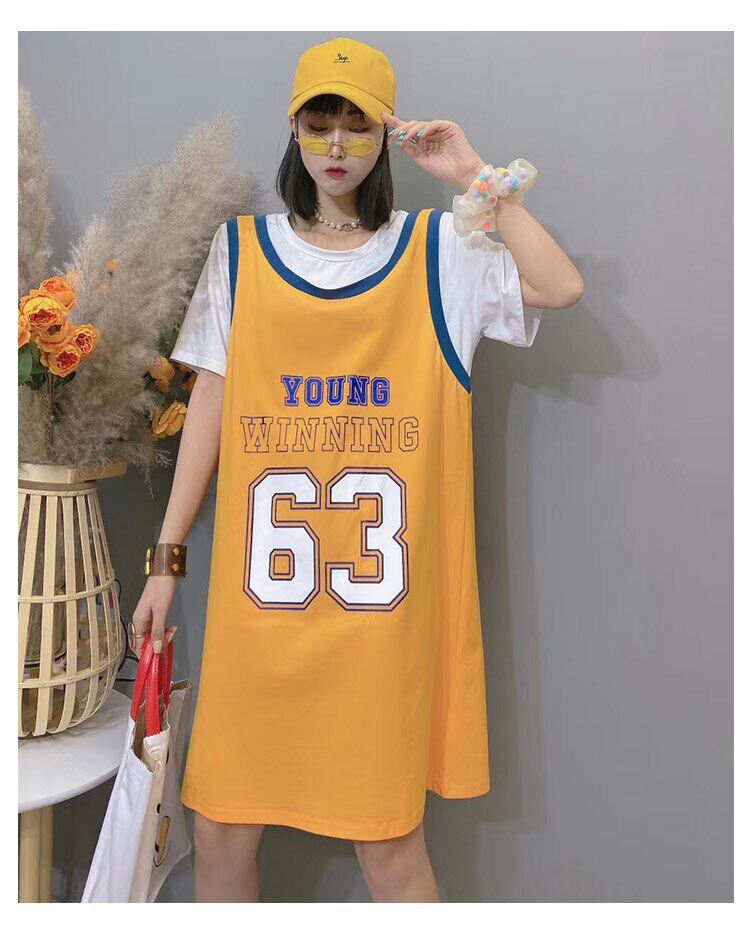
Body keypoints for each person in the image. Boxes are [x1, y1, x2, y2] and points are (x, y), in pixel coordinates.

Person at [130, 36, 584, 903]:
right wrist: (165, 557)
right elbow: (209, 405)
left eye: (357, 123)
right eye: (319, 121)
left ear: (385, 135)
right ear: (293, 129)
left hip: (381, 626)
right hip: (261, 615)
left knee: (391, 848)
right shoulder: (241, 252)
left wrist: (474, 176)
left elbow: (559, 287)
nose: (336, 143)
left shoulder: (439, 250)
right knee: (219, 830)